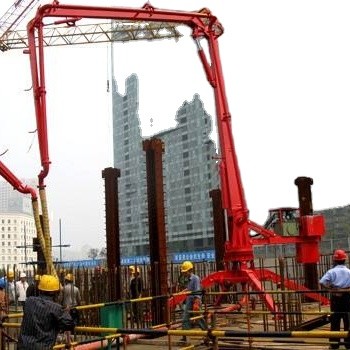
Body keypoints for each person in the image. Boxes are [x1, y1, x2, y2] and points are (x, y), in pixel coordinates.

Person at [17, 274, 74, 349]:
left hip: (23, 346)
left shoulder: (29, 301)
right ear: (55, 293)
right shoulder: (56, 309)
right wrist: (66, 313)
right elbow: (70, 324)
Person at [320, 249, 350, 350]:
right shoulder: (348, 272)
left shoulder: (331, 272)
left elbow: (322, 282)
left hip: (336, 299)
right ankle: (348, 344)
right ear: (344, 260)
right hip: (347, 298)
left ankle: (334, 344)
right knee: (348, 321)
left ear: (335, 260)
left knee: (335, 321)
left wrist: (331, 290)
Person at [179, 260, 207, 344]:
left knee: (199, 319)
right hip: (189, 301)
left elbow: (197, 291)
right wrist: (182, 292)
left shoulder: (195, 278)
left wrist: (196, 303)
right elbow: (189, 289)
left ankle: (207, 333)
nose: (184, 273)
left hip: (195, 301)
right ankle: (185, 336)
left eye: (185, 271)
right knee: (185, 319)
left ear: (190, 270)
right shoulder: (188, 279)